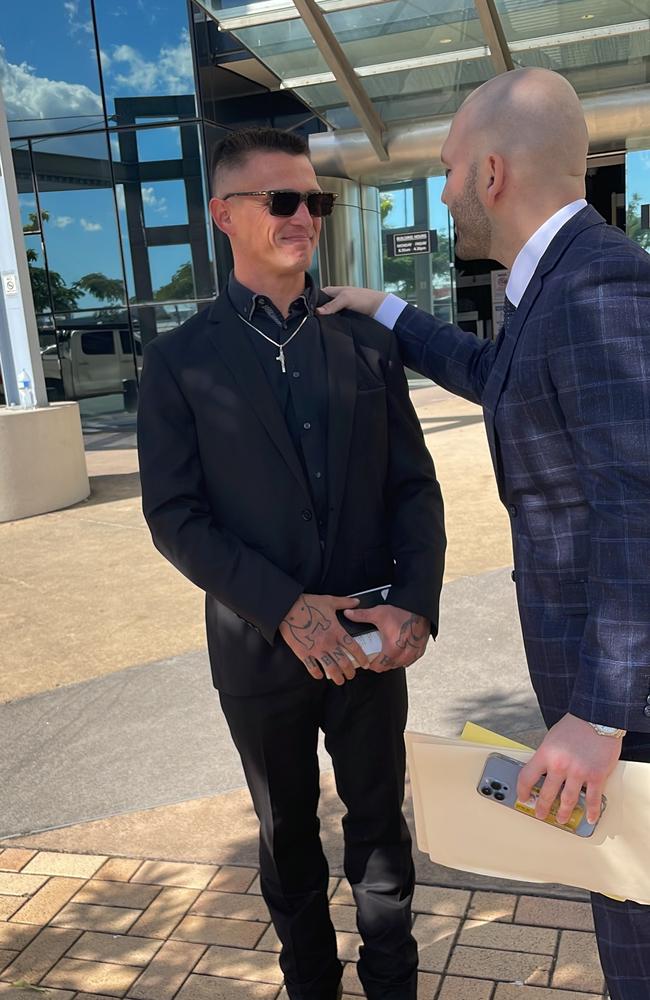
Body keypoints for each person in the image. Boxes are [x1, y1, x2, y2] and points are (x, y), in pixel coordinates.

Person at [318, 67, 650, 999]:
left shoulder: (599, 287)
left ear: (492, 173)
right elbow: (499, 376)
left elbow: (639, 504)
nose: (444, 188)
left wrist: (599, 713)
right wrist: (386, 311)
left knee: (640, 931)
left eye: (451, 166)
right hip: (608, 701)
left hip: (628, 712)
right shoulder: (550, 283)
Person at [136, 127, 446, 1000]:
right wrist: (285, 607)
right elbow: (175, 516)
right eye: (282, 200)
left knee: (382, 834)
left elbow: (414, 489)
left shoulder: (367, 342)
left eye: (315, 200)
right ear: (224, 216)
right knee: (288, 839)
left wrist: (414, 601)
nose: (305, 215)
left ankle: (394, 987)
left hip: (371, 641)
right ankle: (312, 985)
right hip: (258, 650)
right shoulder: (178, 361)